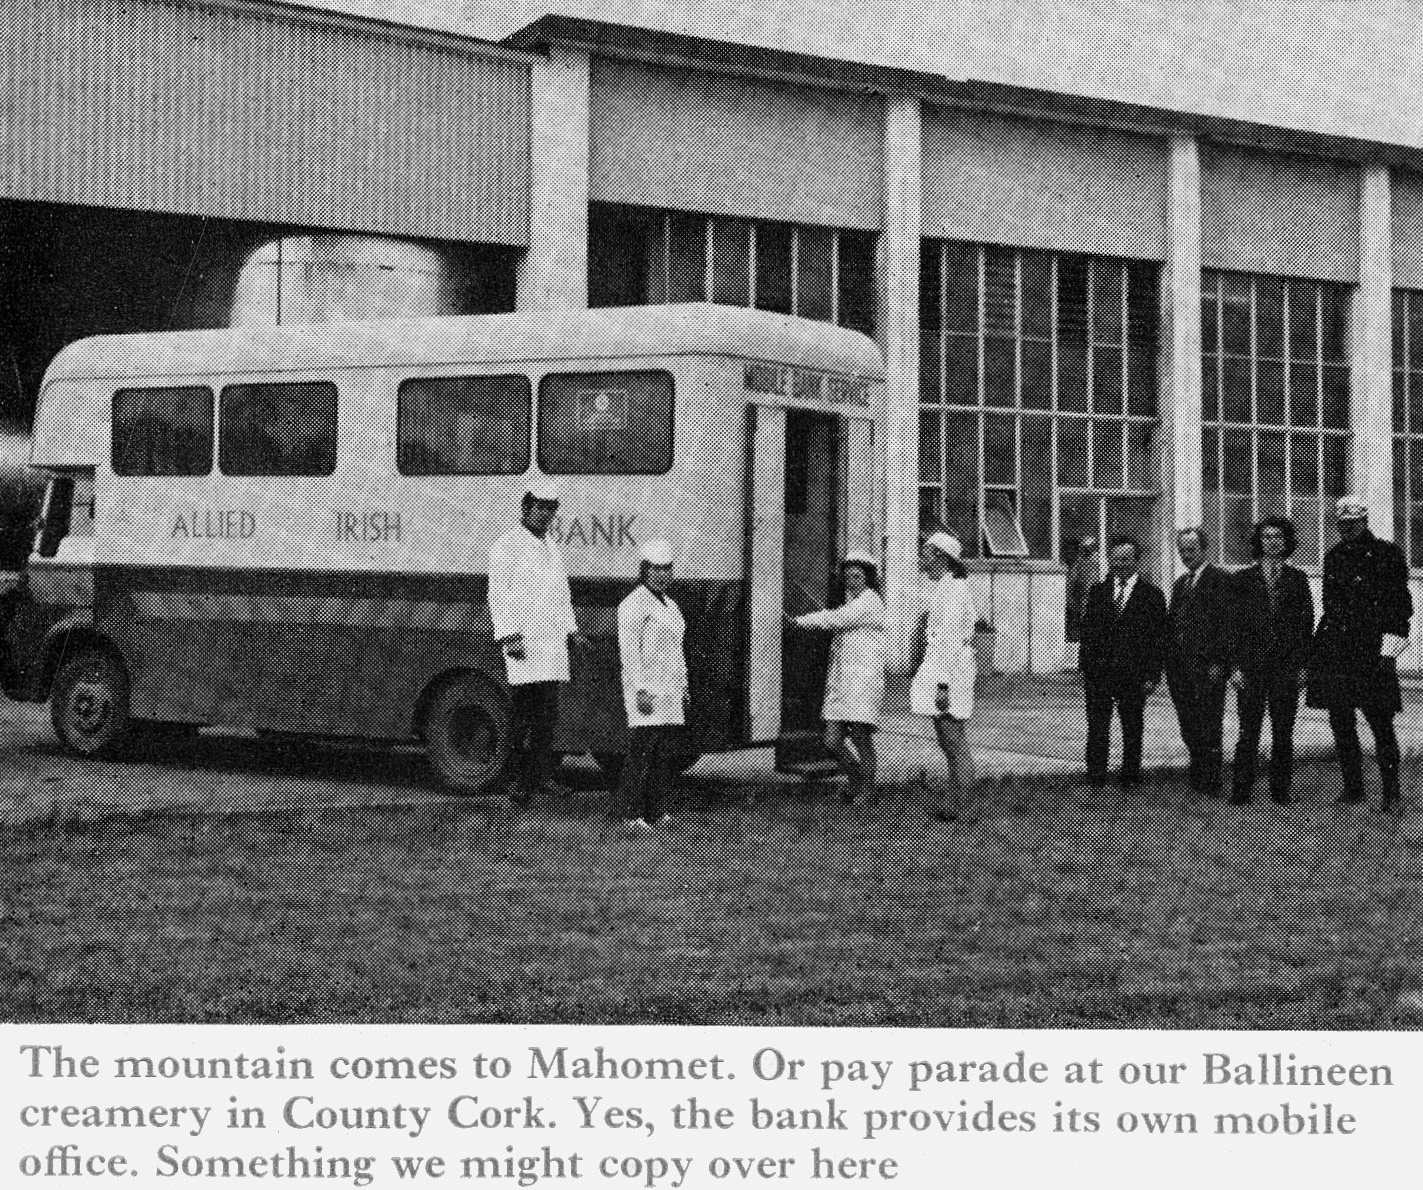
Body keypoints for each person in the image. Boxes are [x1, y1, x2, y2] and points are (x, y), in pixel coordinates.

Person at [1307, 496, 1413, 811]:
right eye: (1341, 524)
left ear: (1365, 521)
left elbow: (1400, 608)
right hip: (1338, 652)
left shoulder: (1387, 554)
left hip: (1373, 653)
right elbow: (1331, 606)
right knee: (1341, 722)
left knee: (1381, 722)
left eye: (1352, 523)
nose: (1346, 529)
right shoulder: (1334, 556)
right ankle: (1353, 788)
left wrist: (1389, 653)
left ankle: (1391, 794)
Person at [487, 477, 582, 807]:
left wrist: (571, 630)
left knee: (546, 717)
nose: (545, 515)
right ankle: (515, 780)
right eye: (540, 508)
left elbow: (562, 593)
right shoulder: (506, 545)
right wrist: (510, 635)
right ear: (526, 509)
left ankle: (542, 776)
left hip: (552, 644)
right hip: (524, 644)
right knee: (520, 716)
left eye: (550, 509)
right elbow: (498, 595)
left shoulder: (553, 547)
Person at [789, 550, 888, 804]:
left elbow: (835, 619)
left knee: (861, 738)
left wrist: (798, 622)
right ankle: (856, 780)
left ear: (868, 578)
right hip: (843, 683)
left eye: (857, 575)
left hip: (864, 682)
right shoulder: (852, 602)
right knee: (831, 740)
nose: (851, 580)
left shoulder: (871, 602)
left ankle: (867, 791)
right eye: (848, 576)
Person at [1228, 517, 1315, 806]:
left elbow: (1306, 626)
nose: (1272, 541)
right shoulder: (1242, 579)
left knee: (1283, 732)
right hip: (1251, 668)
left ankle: (1280, 791)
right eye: (1266, 536)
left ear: (1286, 541)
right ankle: (1241, 791)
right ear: (1258, 541)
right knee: (1248, 731)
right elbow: (1234, 628)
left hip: (1286, 669)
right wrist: (1235, 667)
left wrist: (1303, 666)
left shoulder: (1298, 579)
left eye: (1278, 536)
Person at [1078, 535, 1167, 787]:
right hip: (1100, 675)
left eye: (1126, 559)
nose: (1120, 564)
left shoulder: (1152, 596)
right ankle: (1096, 775)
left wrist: (1152, 675)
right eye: (1115, 559)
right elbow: (1088, 633)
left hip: (1134, 675)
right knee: (1097, 727)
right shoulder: (1098, 592)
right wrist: (1086, 667)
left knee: (1132, 727)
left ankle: (1130, 776)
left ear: (1137, 561)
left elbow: (1158, 640)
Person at [614, 539, 688, 831]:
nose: (662, 574)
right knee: (641, 752)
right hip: (645, 690)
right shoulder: (632, 604)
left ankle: (656, 811)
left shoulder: (671, 605)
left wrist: (683, 687)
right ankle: (627, 813)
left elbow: (676, 650)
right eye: (656, 568)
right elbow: (629, 651)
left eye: (667, 569)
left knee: (662, 755)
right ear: (644, 570)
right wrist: (640, 689)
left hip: (669, 689)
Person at [911, 532, 977, 822]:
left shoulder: (955, 590)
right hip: (944, 666)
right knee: (948, 740)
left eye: (924, 553)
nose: (919, 557)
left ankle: (964, 808)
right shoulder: (942, 587)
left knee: (954, 740)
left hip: (950, 670)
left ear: (939, 557)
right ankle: (956, 804)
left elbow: (950, 642)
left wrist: (943, 685)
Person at [1165, 528, 1232, 795]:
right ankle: (1198, 770)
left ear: (1204, 550)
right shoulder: (1180, 584)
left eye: (1191, 549)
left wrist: (1220, 662)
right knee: (1188, 721)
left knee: (1209, 722)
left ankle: (1211, 778)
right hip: (1180, 667)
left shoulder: (1220, 580)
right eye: (1182, 550)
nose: (1186, 555)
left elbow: (1227, 626)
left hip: (1208, 667)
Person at [1065, 535, 1098, 644]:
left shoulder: (1099, 561)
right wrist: (1070, 598)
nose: (1087, 550)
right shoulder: (1079, 561)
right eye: (1084, 547)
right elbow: (1072, 580)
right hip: (1082, 597)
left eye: (1089, 547)